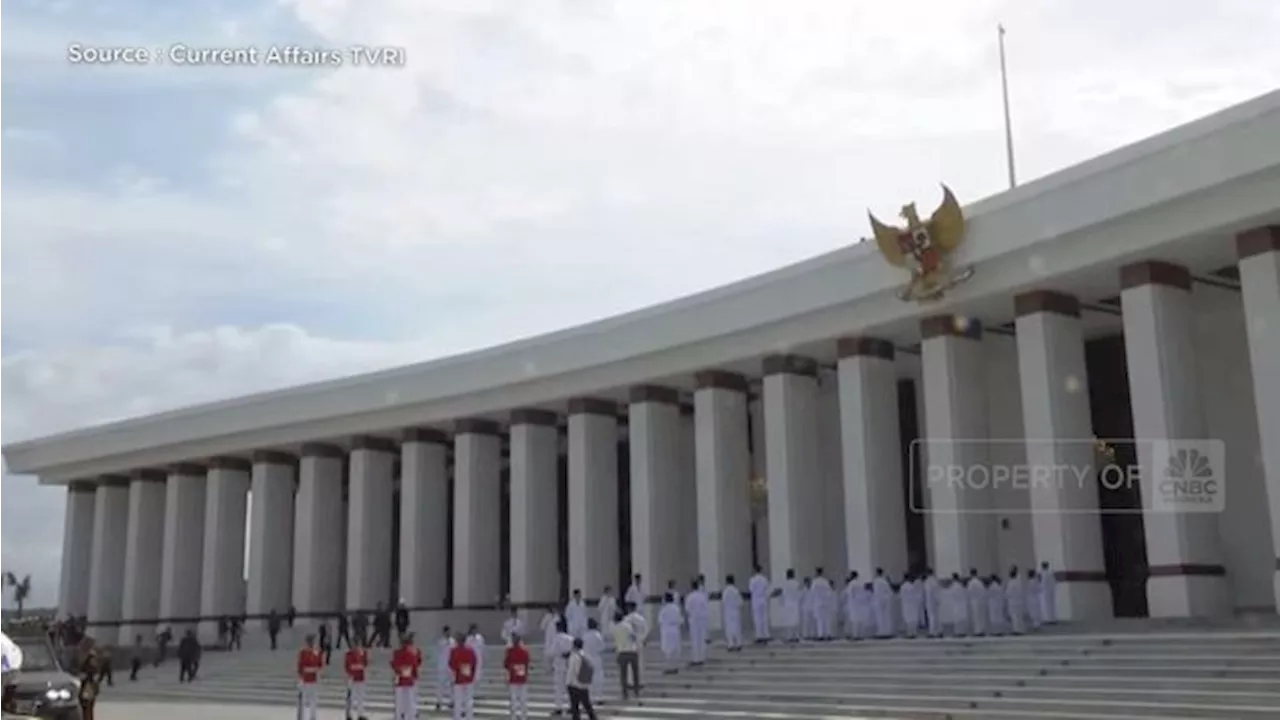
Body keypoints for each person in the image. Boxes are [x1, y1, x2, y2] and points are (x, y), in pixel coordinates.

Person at [390, 632, 422, 720]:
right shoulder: (413, 653)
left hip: (400, 678)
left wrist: (398, 670)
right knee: (410, 701)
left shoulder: (397, 653)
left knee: (399, 702)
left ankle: (399, 716)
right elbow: (416, 664)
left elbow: (394, 664)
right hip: (410, 678)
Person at [565, 637, 598, 720]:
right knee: (587, 705)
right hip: (584, 684)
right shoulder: (586, 655)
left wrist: (568, 683)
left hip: (574, 684)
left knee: (575, 707)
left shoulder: (574, 656)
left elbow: (571, 671)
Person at [448, 630, 476, 720]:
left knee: (458, 700)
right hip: (468, 677)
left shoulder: (454, 650)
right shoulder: (470, 650)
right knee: (468, 700)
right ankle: (469, 717)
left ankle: (457, 717)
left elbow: (451, 663)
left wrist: (457, 669)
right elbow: (474, 663)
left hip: (459, 677)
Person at [612, 610, 641, 700]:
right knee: (635, 672)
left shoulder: (615, 628)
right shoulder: (628, 626)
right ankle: (636, 690)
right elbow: (633, 636)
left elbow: (615, 641)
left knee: (623, 674)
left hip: (621, 652)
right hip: (631, 650)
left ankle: (625, 693)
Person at [551, 619, 575, 716]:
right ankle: (572, 706)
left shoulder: (556, 638)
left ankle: (559, 707)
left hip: (559, 664)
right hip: (569, 664)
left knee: (559, 687)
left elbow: (552, 652)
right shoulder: (570, 638)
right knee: (570, 687)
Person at [296, 634, 323, 720]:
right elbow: (300, 665)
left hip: (314, 678)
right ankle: (302, 717)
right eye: (309, 641)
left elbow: (320, 664)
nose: (311, 643)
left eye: (312, 641)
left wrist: (317, 670)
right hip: (305, 678)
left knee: (314, 699)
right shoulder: (303, 652)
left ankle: (313, 716)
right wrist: (300, 677)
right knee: (303, 700)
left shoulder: (317, 651)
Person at [504, 633, 531, 720]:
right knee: (523, 699)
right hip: (522, 676)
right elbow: (527, 663)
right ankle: (523, 716)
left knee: (513, 699)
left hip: (513, 676)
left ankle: (514, 717)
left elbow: (506, 664)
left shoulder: (509, 651)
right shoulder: (525, 651)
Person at [683, 581, 709, 666]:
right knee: (702, 638)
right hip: (702, 619)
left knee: (695, 639)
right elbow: (706, 607)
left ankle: (695, 658)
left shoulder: (689, 597)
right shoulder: (702, 596)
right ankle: (702, 657)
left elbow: (687, 609)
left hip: (693, 619)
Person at [76, 639, 103, 720]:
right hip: (86, 685)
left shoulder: (90, 656)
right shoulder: (87, 656)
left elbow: (94, 671)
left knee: (87, 707)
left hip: (88, 686)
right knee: (86, 707)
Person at [344, 637, 369, 720]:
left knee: (360, 697)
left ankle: (360, 714)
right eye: (354, 643)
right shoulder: (349, 654)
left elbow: (365, 663)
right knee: (352, 697)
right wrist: (351, 671)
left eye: (357, 643)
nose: (356, 645)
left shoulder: (363, 652)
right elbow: (347, 666)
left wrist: (360, 666)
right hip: (352, 677)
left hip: (361, 677)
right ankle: (349, 714)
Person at [658, 592, 683, 674]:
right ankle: (675, 666)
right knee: (675, 649)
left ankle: (669, 667)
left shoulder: (663, 609)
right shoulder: (676, 608)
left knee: (667, 649)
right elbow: (680, 620)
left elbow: (660, 620)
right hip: (675, 629)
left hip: (666, 630)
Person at [582, 619, 606, 701]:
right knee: (598, 677)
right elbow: (602, 647)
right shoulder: (597, 635)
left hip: (587, 658)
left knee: (588, 678)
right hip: (596, 657)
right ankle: (599, 696)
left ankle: (590, 697)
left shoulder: (585, 635)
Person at [433, 626, 454, 712]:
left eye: (449, 632)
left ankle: (452, 701)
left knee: (451, 685)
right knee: (440, 685)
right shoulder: (440, 642)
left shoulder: (453, 641)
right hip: (442, 666)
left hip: (451, 666)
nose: (448, 633)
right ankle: (439, 702)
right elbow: (438, 653)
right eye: (446, 632)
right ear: (444, 632)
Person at [747, 567, 771, 644]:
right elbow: (767, 588)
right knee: (764, 617)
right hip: (763, 599)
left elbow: (751, 590)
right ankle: (766, 634)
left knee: (757, 618)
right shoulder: (764, 579)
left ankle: (759, 635)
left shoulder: (752, 580)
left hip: (756, 600)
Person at [721, 574, 744, 651]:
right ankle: (738, 643)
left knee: (729, 628)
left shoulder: (725, 591)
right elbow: (740, 602)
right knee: (737, 627)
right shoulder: (735, 590)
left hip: (728, 612)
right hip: (735, 611)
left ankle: (730, 644)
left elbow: (723, 601)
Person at [811, 568, 834, 641]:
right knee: (827, 620)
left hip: (818, 603)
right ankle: (828, 634)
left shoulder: (814, 582)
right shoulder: (825, 581)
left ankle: (820, 635)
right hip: (826, 603)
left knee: (819, 620)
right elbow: (830, 592)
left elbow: (812, 593)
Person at [871, 569, 894, 639]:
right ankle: (887, 631)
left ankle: (881, 632)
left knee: (880, 617)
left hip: (878, 601)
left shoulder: (876, 581)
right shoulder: (884, 582)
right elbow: (890, 592)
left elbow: (875, 592)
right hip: (885, 601)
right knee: (886, 616)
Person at [779, 569, 801, 643]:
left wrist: (781, 603)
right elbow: (799, 594)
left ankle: (789, 636)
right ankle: (796, 635)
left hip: (788, 603)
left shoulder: (785, 583)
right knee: (795, 619)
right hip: (795, 603)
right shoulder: (796, 583)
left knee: (788, 620)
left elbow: (782, 594)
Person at [899, 573, 922, 638]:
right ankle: (914, 632)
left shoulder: (903, 587)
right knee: (913, 618)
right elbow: (915, 595)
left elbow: (901, 596)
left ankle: (909, 633)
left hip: (906, 605)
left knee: (908, 619)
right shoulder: (912, 586)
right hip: (913, 605)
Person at [540, 607, 562, 673]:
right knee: (548, 652)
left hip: (556, 635)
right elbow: (542, 626)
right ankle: (548, 668)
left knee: (555, 651)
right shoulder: (547, 616)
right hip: (549, 636)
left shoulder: (558, 617)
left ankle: (554, 667)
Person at [967, 569, 988, 636]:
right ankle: (981, 630)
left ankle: (977, 632)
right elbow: (983, 592)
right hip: (981, 602)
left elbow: (969, 593)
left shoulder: (971, 583)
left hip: (974, 602)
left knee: (976, 618)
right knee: (981, 617)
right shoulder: (980, 582)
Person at [1006, 567, 1026, 635]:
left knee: (1014, 617)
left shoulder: (1011, 583)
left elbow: (1008, 593)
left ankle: (1016, 630)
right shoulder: (1018, 582)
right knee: (1019, 617)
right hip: (1019, 602)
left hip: (1013, 603)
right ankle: (1021, 630)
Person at [922, 568, 941, 638]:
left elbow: (926, 593)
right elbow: (937, 592)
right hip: (935, 602)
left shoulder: (927, 582)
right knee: (937, 617)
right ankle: (938, 631)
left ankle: (932, 632)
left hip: (930, 602)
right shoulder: (935, 581)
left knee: (931, 617)